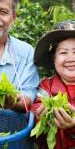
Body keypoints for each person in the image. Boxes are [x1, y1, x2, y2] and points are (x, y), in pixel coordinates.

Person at [30, 20, 75, 149]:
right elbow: (34, 131)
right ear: (53, 58)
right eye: (63, 52)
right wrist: (39, 119)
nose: (71, 58)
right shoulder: (45, 88)